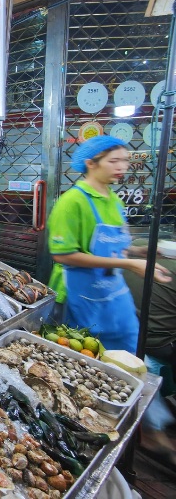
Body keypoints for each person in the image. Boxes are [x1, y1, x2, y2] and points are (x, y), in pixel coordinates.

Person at [47, 135, 171, 353]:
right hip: (78, 294)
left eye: (125, 160)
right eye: (113, 161)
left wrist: (137, 251)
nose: (122, 166)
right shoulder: (72, 202)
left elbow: (112, 243)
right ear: (91, 163)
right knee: (83, 355)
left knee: (127, 351)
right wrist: (130, 264)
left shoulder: (114, 200)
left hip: (113, 293)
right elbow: (63, 255)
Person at [123, 239, 176, 464]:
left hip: (134, 331)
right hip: (155, 342)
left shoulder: (135, 248)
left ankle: (157, 429)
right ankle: (155, 435)